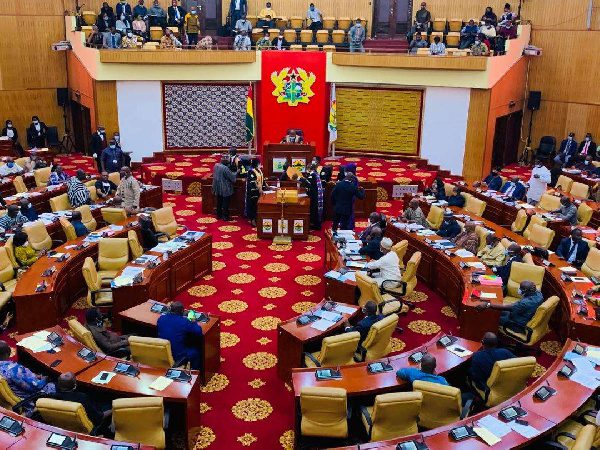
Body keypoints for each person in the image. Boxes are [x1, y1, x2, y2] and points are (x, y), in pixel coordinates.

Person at [0, 341, 55, 411]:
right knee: (55, 383)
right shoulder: (13, 369)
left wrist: (32, 376)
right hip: (28, 401)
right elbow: (36, 386)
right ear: (8, 353)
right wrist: (45, 379)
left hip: (8, 400)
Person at [477, 280, 544, 333]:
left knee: (492, 317)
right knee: (496, 311)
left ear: (525, 291)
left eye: (521, 288)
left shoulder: (525, 303)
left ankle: (488, 336)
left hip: (517, 324)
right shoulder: (539, 294)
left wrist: (488, 304)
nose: (519, 289)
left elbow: (509, 307)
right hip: (524, 316)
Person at [157, 301, 203, 370]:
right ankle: (195, 376)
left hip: (164, 352)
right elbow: (199, 331)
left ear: (170, 309)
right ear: (182, 311)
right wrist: (193, 320)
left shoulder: (161, 318)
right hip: (178, 355)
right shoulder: (184, 322)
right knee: (196, 351)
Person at [212, 155, 237, 221]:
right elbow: (233, 178)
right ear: (225, 162)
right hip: (225, 188)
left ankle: (219, 215)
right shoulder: (225, 168)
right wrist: (237, 172)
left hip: (217, 187)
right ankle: (225, 217)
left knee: (219, 201)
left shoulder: (216, 165)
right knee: (225, 202)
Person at [244, 159, 267, 227]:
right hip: (252, 192)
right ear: (257, 164)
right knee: (252, 206)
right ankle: (252, 219)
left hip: (259, 191)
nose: (261, 165)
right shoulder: (251, 172)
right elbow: (253, 182)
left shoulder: (259, 170)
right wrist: (259, 189)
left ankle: (257, 218)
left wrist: (265, 185)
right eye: (259, 163)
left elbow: (262, 179)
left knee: (257, 206)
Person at [302, 163, 324, 230]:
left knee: (314, 210)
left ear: (309, 169)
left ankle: (316, 225)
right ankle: (316, 224)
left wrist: (302, 180)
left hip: (314, 195)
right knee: (316, 210)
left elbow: (309, 184)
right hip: (317, 194)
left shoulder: (312, 175)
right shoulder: (316, 174)